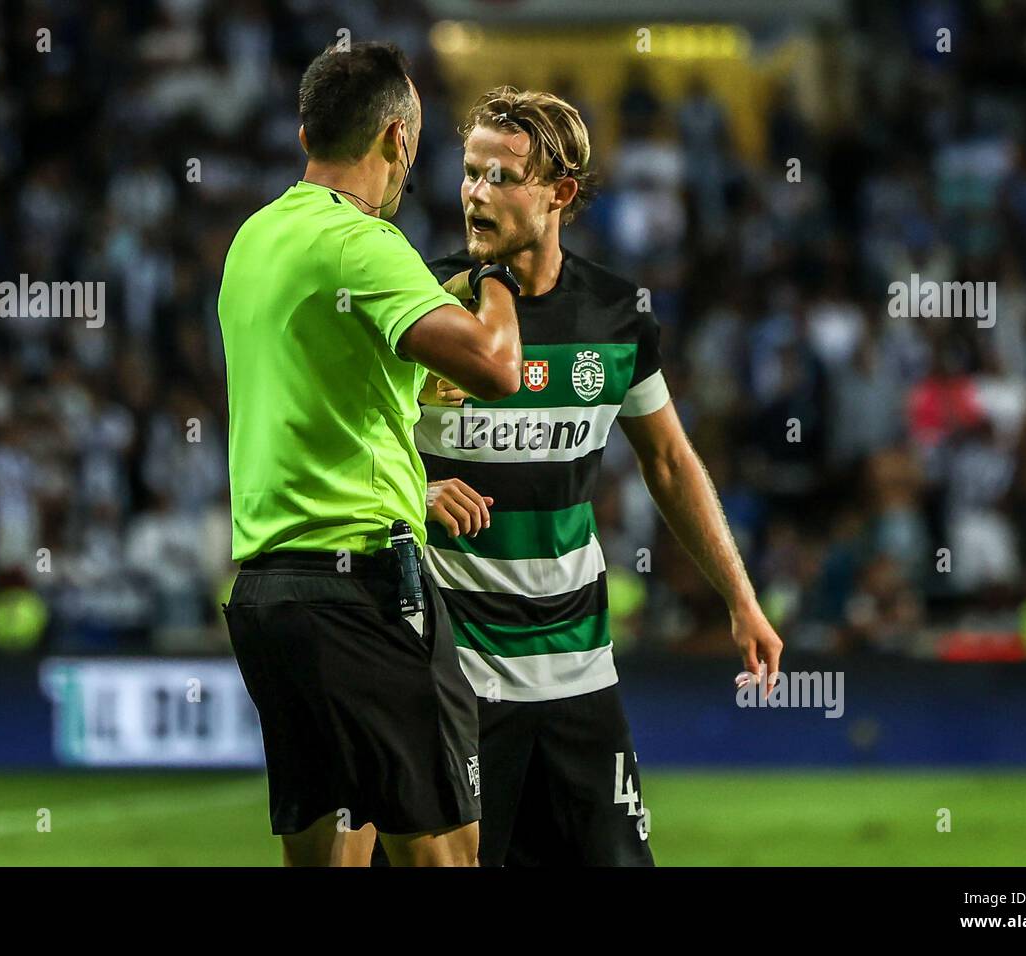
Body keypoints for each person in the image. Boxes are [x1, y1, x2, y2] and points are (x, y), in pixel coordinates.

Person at [416, 87, 784, 865]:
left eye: (502, 177)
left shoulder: (615, 317)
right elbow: (346, 449)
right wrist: (415, 495)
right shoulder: (422, 306)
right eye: (470, 172)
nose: (477, 194)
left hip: (580, 671)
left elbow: (670, 461)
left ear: (561, 192)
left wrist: (740, 597)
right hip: (456, 679)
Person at [216, 43, 523, 867]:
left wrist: (409, 467)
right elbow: (494, 367)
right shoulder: (362, 243)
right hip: (365, 595)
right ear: (396, 139)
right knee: (447, 856)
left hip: (272, 598)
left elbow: (306, 397)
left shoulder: (254, 241)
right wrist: (496, 267)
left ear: (306, 127)